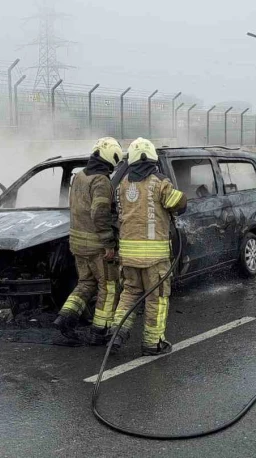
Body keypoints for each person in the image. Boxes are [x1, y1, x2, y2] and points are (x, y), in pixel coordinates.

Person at [110, 138, 187, 356]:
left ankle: (116, 333)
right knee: (157, 298)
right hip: (155, 258)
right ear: (152, 158)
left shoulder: (122, 184)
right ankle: (153, 343)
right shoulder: (159, 182)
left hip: (128, 256)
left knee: (129, 294)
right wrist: (182, 198)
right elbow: (177, 203)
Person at [54, 137, 123, 345]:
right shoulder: (101, 181)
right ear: (111, 158)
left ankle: (65, 318)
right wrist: (109, 244)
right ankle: (100, 331)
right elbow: (99, 214)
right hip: (96, 246)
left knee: (85, 283)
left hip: (77, 242)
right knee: (109, 286)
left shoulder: (80, 176)